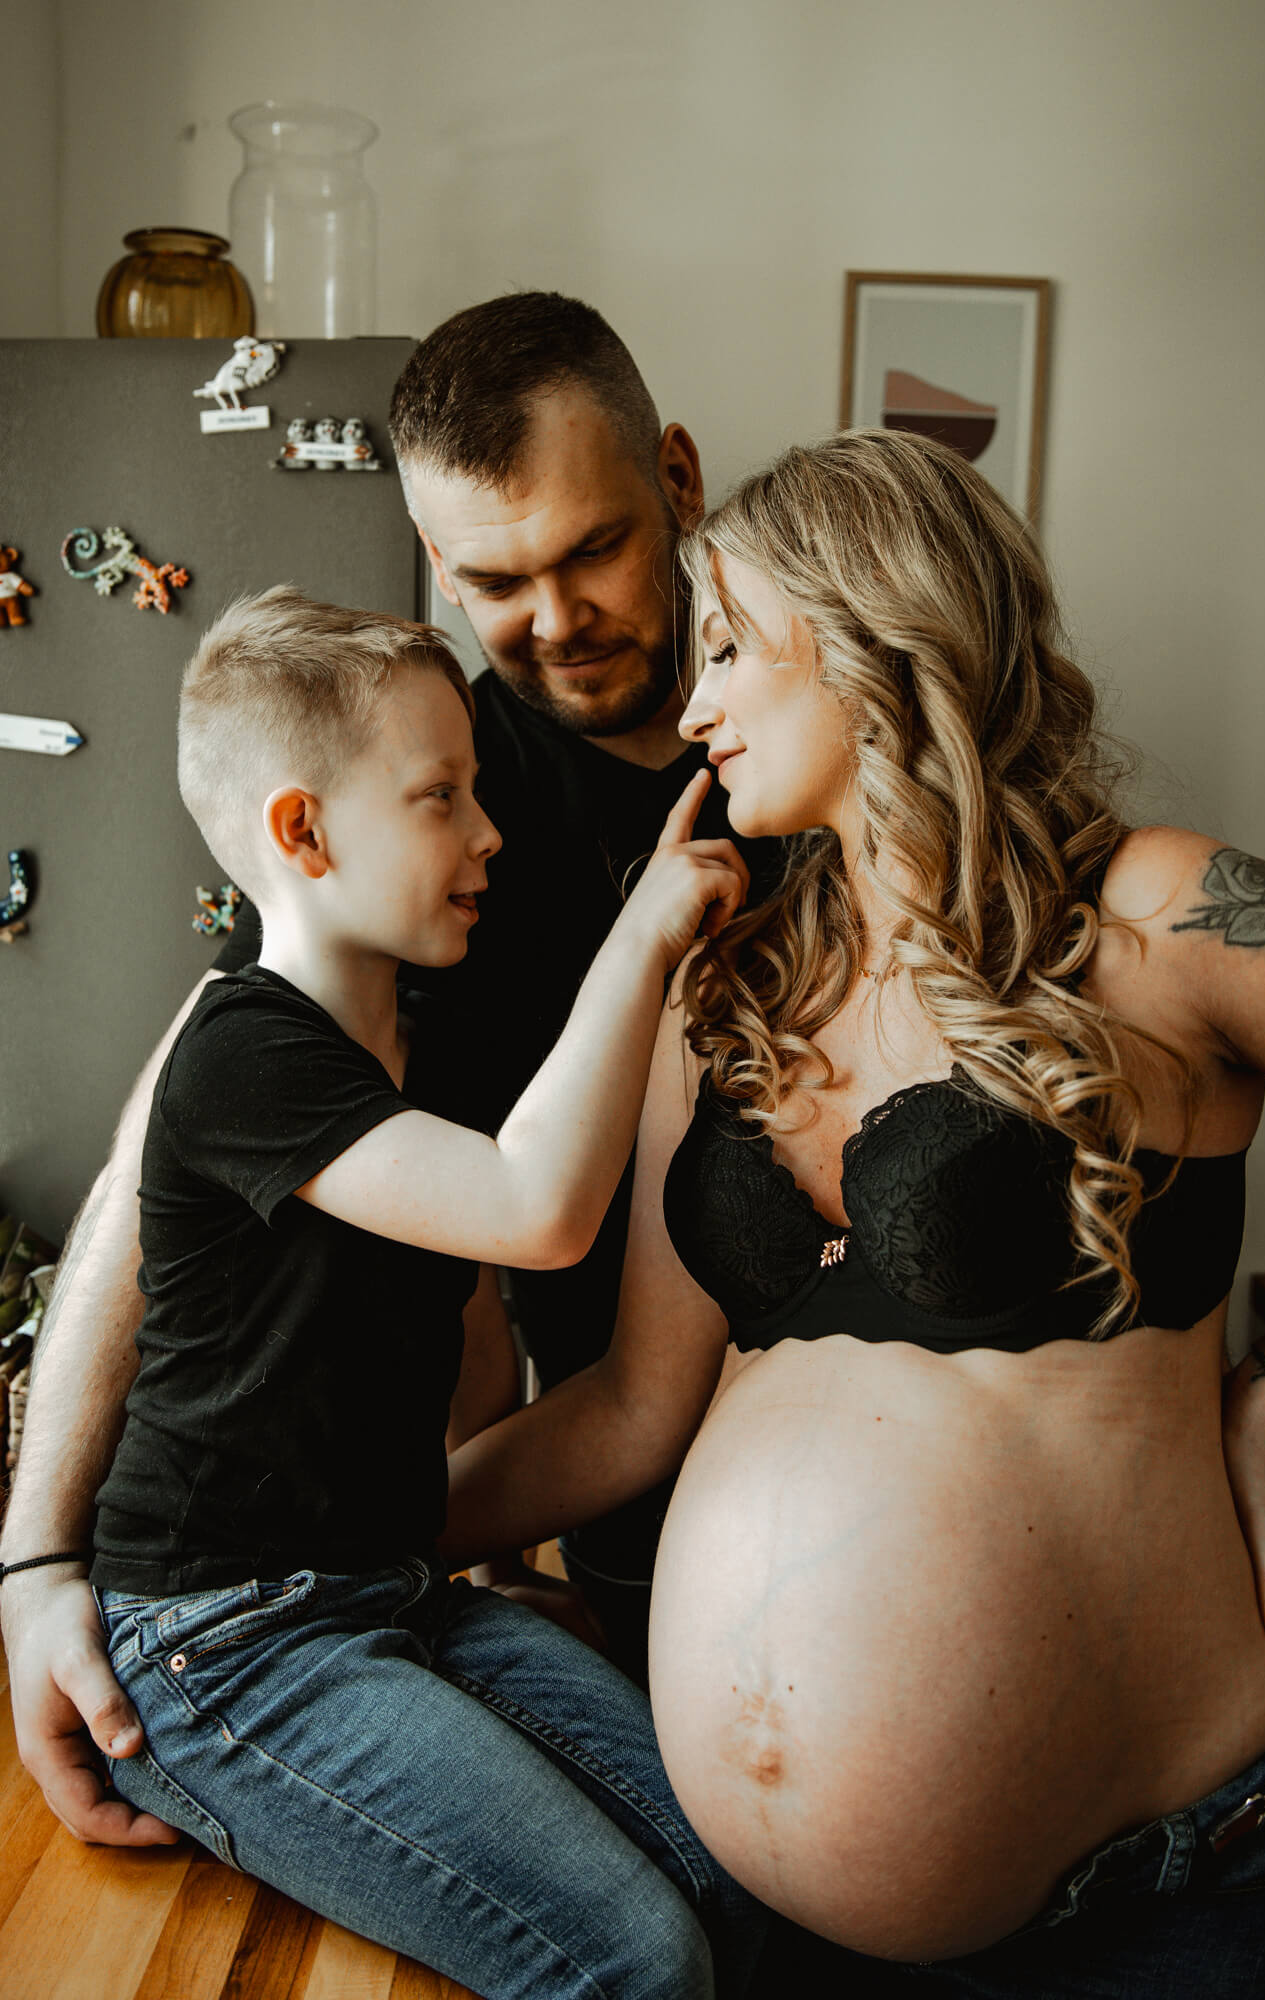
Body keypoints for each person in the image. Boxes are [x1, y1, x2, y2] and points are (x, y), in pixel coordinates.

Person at [441, 428, 1265, 1991]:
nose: (695, 705)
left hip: (1173, 1901)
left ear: (871, 633)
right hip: (782, 1934)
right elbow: (634, 1409)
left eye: (731, 647)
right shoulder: (723, 993)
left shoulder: (1153, 910)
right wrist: (306, 1541)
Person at [0, 290, 777, 1851]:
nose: (552, 618)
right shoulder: (413, 837)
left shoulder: (812, 735)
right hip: (611, 1494)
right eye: (493, 580)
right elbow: (161, 1171)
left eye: (591, 551)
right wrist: (36, 1565)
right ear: (433, 557)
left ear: (678, 482)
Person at [78, 586, 762, 1995]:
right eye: (441, 796)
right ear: (303, 833)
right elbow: (536, 1212)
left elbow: (477, 1322)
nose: (488, 831)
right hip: (224, 1639)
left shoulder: (430, 1051)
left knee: (744, 1877)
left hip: (393, 1588)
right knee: (637, 1960)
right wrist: (639, 936)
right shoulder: (244, 1054)